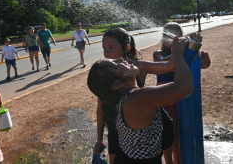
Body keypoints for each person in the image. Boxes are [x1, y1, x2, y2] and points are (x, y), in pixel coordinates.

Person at [88, 36, 194, 164]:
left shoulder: (126, 97)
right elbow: (185, 87)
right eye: (116, 64)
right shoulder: (138, 100)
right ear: (116, 84)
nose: (120, 59)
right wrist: (176, 53)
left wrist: (191, 46)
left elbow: (173, 65)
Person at [153, 22, 211, 164]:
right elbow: (166, 63)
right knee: (168, 138)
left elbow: (203, 64)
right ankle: (169, 162)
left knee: (179, 137)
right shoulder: (159, 54)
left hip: (182, 100)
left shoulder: (185, 53)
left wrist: (204, 58)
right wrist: (182, 52)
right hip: (166, 101)